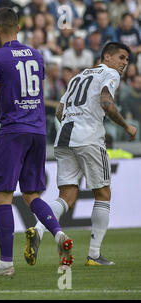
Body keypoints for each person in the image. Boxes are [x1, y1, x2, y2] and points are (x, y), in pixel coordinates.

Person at [0, 8, 74, 277]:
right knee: (31, 195)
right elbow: (39, 95)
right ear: (18, 28)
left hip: (13, 131)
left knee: (3, 196)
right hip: (37, 131)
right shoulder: (36, 55)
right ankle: (58, 233)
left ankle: (6, 263)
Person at [29, 42, 137, 266]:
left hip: (65, 138)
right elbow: (106, 102)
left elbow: (59, 112)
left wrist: (77, 123)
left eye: (127, 60)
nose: (124, 63)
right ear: (107, 57)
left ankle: (38, 230)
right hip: (89, 139)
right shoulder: (109, 73)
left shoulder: (78, 77)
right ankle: (94, 255)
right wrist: (126, 127)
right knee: (103, 193)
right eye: (121, 57)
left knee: (66, 196)